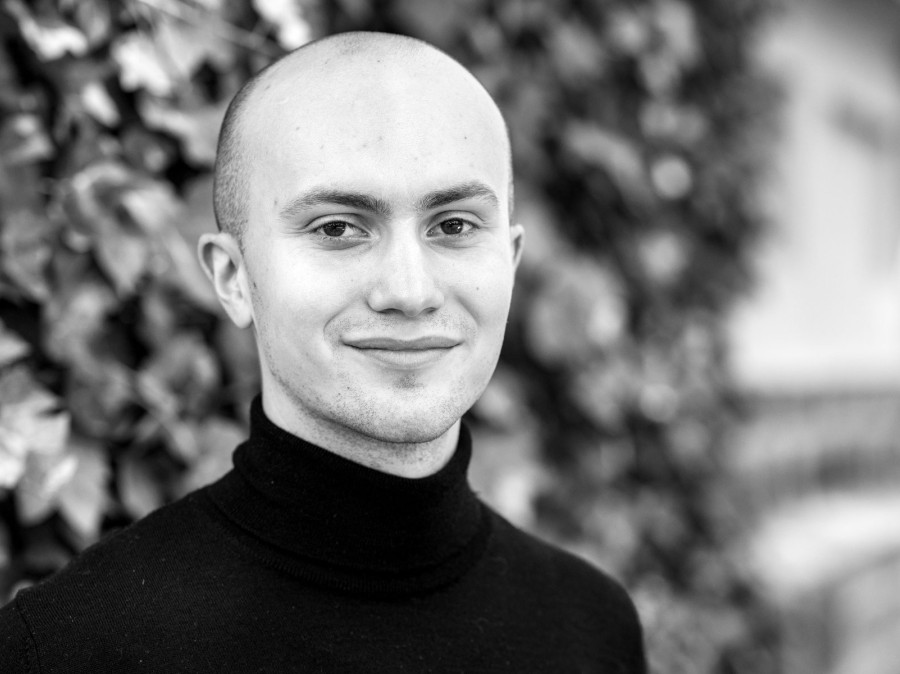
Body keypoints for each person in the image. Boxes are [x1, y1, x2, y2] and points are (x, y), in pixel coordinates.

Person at [0, 31, 646, 672]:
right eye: (337, 228)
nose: (409, 291)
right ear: (233, 278)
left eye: (453, 225)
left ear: (509, 261)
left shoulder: (592, 629)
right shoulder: (68, 650)